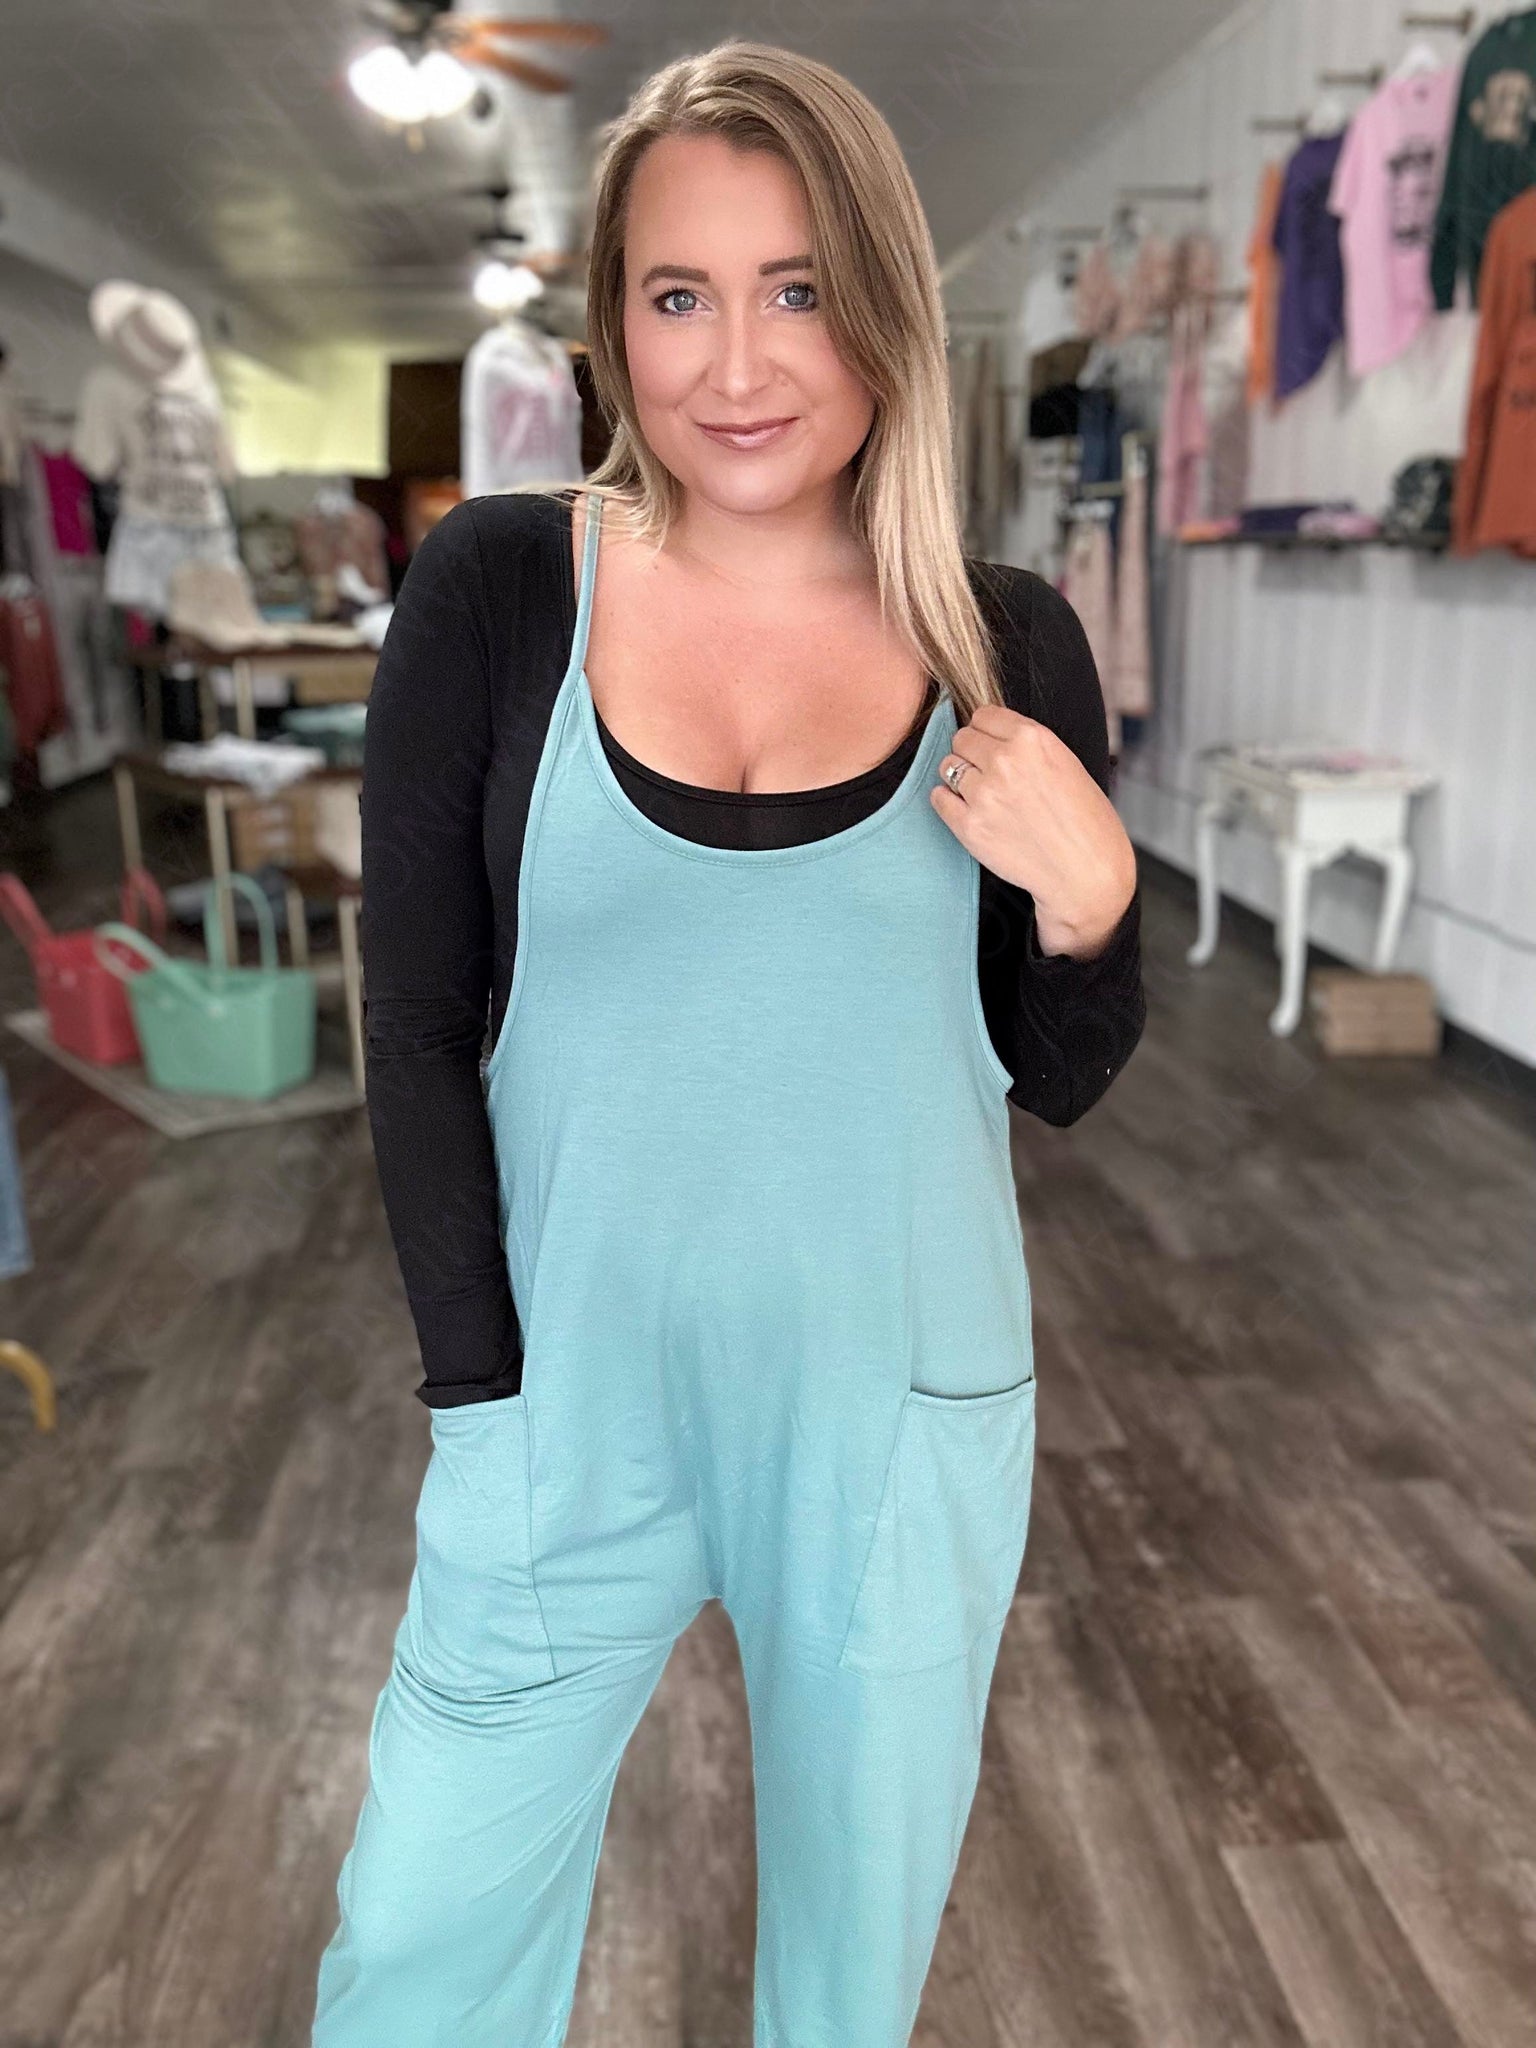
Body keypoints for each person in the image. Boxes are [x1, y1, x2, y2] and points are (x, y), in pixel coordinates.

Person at [312, 38, 1144, 2048]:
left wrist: (1096, 898)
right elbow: (412, 1028)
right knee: (416, 1944)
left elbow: (1060, 1068)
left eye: (799, 290)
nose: (740, 363)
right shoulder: (503, 588)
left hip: (893, 1417)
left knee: (849, 1982)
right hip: (563, 1409)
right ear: (613, 323)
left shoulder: (1003, 639)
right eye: (680, 294)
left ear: (883, 308)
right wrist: (483, 1398)